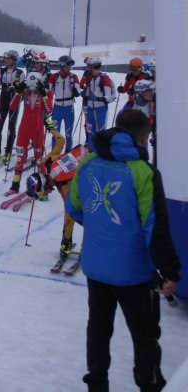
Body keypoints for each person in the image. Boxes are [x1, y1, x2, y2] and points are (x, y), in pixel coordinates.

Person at [66, 109, 180, 392]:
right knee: (144, 335)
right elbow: (155, 227)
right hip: (135, 274)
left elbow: (75, 207)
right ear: (143, 137)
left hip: (96, 265)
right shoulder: (144, 172)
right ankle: (149, 384)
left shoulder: (89, 162)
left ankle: (97, 383)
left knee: (98, 329)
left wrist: (101, 228)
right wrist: (169, 271)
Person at [25, 128, 88, 260]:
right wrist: (50, 128)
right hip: (89, 149)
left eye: (41, 193)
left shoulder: (64, 187)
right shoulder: (49, 161)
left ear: (44, 187)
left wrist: (64, 245)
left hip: (96, 170)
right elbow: (61, 141)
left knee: (87, 217)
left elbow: (70, 216)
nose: (45, 195)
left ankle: (85, 249)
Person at [5, 71, 53, 195]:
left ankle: (44, 187)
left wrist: (44, 96)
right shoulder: (25, 91)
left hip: (37, 130)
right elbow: (11, 106)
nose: (33, 91)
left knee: (39, 160)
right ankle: (15, 186)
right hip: (23, 129)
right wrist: (17, 92)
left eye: (36, 88)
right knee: (20, 158)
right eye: (31, 88)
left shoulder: (46, 92)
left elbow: (49, 110)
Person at [0, 50, 23, 163]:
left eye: (8, 58)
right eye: (6, 58)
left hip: (14, 99)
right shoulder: (2, 70)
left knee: (11, 127)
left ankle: (8, 152)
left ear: (14, 60)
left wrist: (18, 89)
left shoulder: (20, 72)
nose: (6, 60)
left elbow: (22, 88)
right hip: (3, 97)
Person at [80, 56, 116, 153]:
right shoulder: (90, 78)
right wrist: (84, 94)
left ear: (94, 66)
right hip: (90, 108)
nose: (88, 68)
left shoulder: (104, 78)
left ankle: (101, 154)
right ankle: (91, 154)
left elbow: (111, 97)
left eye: (89, 66)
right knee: (90, 132)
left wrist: (98, 98)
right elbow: (87, 92)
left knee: (101, 132)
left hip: (101, 109)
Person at [48, 55, 81, 151]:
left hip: (69, 108)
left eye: (70, 66)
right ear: (62, 66)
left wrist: (76, 92)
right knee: (55, 132)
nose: (69, 68)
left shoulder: (73, 77)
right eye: (67, 66)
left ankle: (68, 152)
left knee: (68, 133)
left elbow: (78, 90)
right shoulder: (54, 77)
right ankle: (54, 153)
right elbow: (48, 90)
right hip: (57, 108)